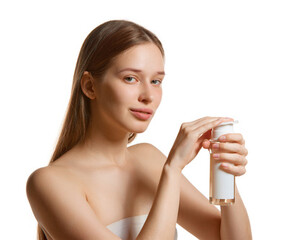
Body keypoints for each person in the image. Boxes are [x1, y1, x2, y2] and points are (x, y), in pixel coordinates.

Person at [25, 20, 252, 240]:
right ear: (90, 86)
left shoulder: (149, 158)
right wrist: (172, 170)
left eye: (156, 81)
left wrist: (225, 171)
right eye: (131, 78)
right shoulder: (49, 183)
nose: (148, 96)